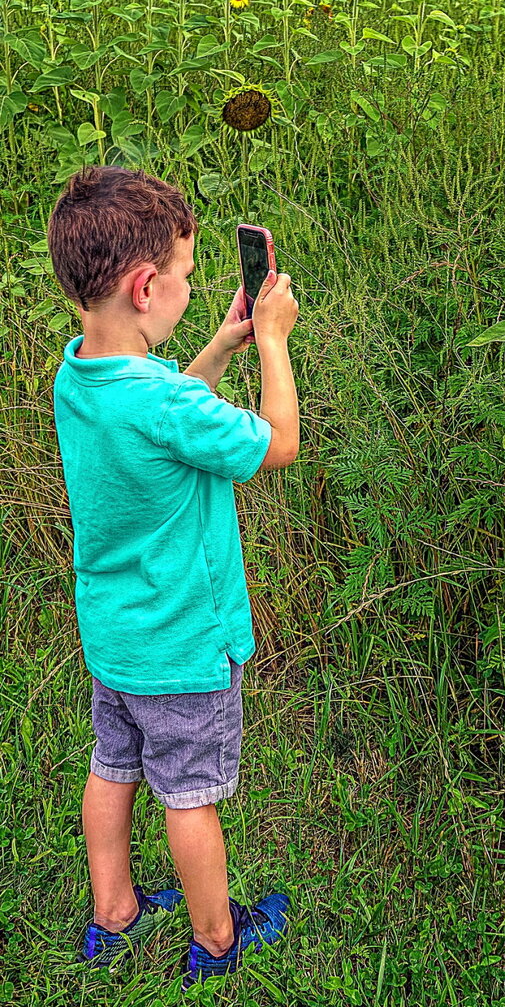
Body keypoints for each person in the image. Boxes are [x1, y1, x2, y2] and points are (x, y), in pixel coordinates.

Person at [47, 164, 300, 990]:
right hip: (184, 645)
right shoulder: (162, 405)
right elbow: (275, 445)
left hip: (116, 639)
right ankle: (218, 938)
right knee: (189, 796)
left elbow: (164, 409)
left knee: (111, 768)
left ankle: (111, 910)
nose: (196, 289)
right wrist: (269, 340)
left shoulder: (78, 373)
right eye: (188, 277)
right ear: (145, 285)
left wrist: (220, 342)